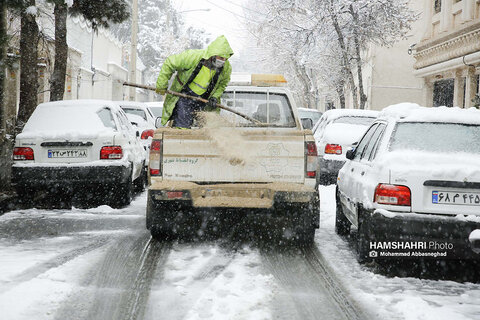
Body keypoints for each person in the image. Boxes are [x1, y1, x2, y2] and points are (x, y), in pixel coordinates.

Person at [155, 35, 234, 128]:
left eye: (225, 59)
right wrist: (161, 85)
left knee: (208, 128)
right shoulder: (194, 57)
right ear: (213, 54)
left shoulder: (226, 68)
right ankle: (181, 140)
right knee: (182, 125)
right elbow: (169, 63)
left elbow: (222, 84)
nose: (222, 61)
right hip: (185, 96)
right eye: (220, 58)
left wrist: (214, 97)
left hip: (204, 100)